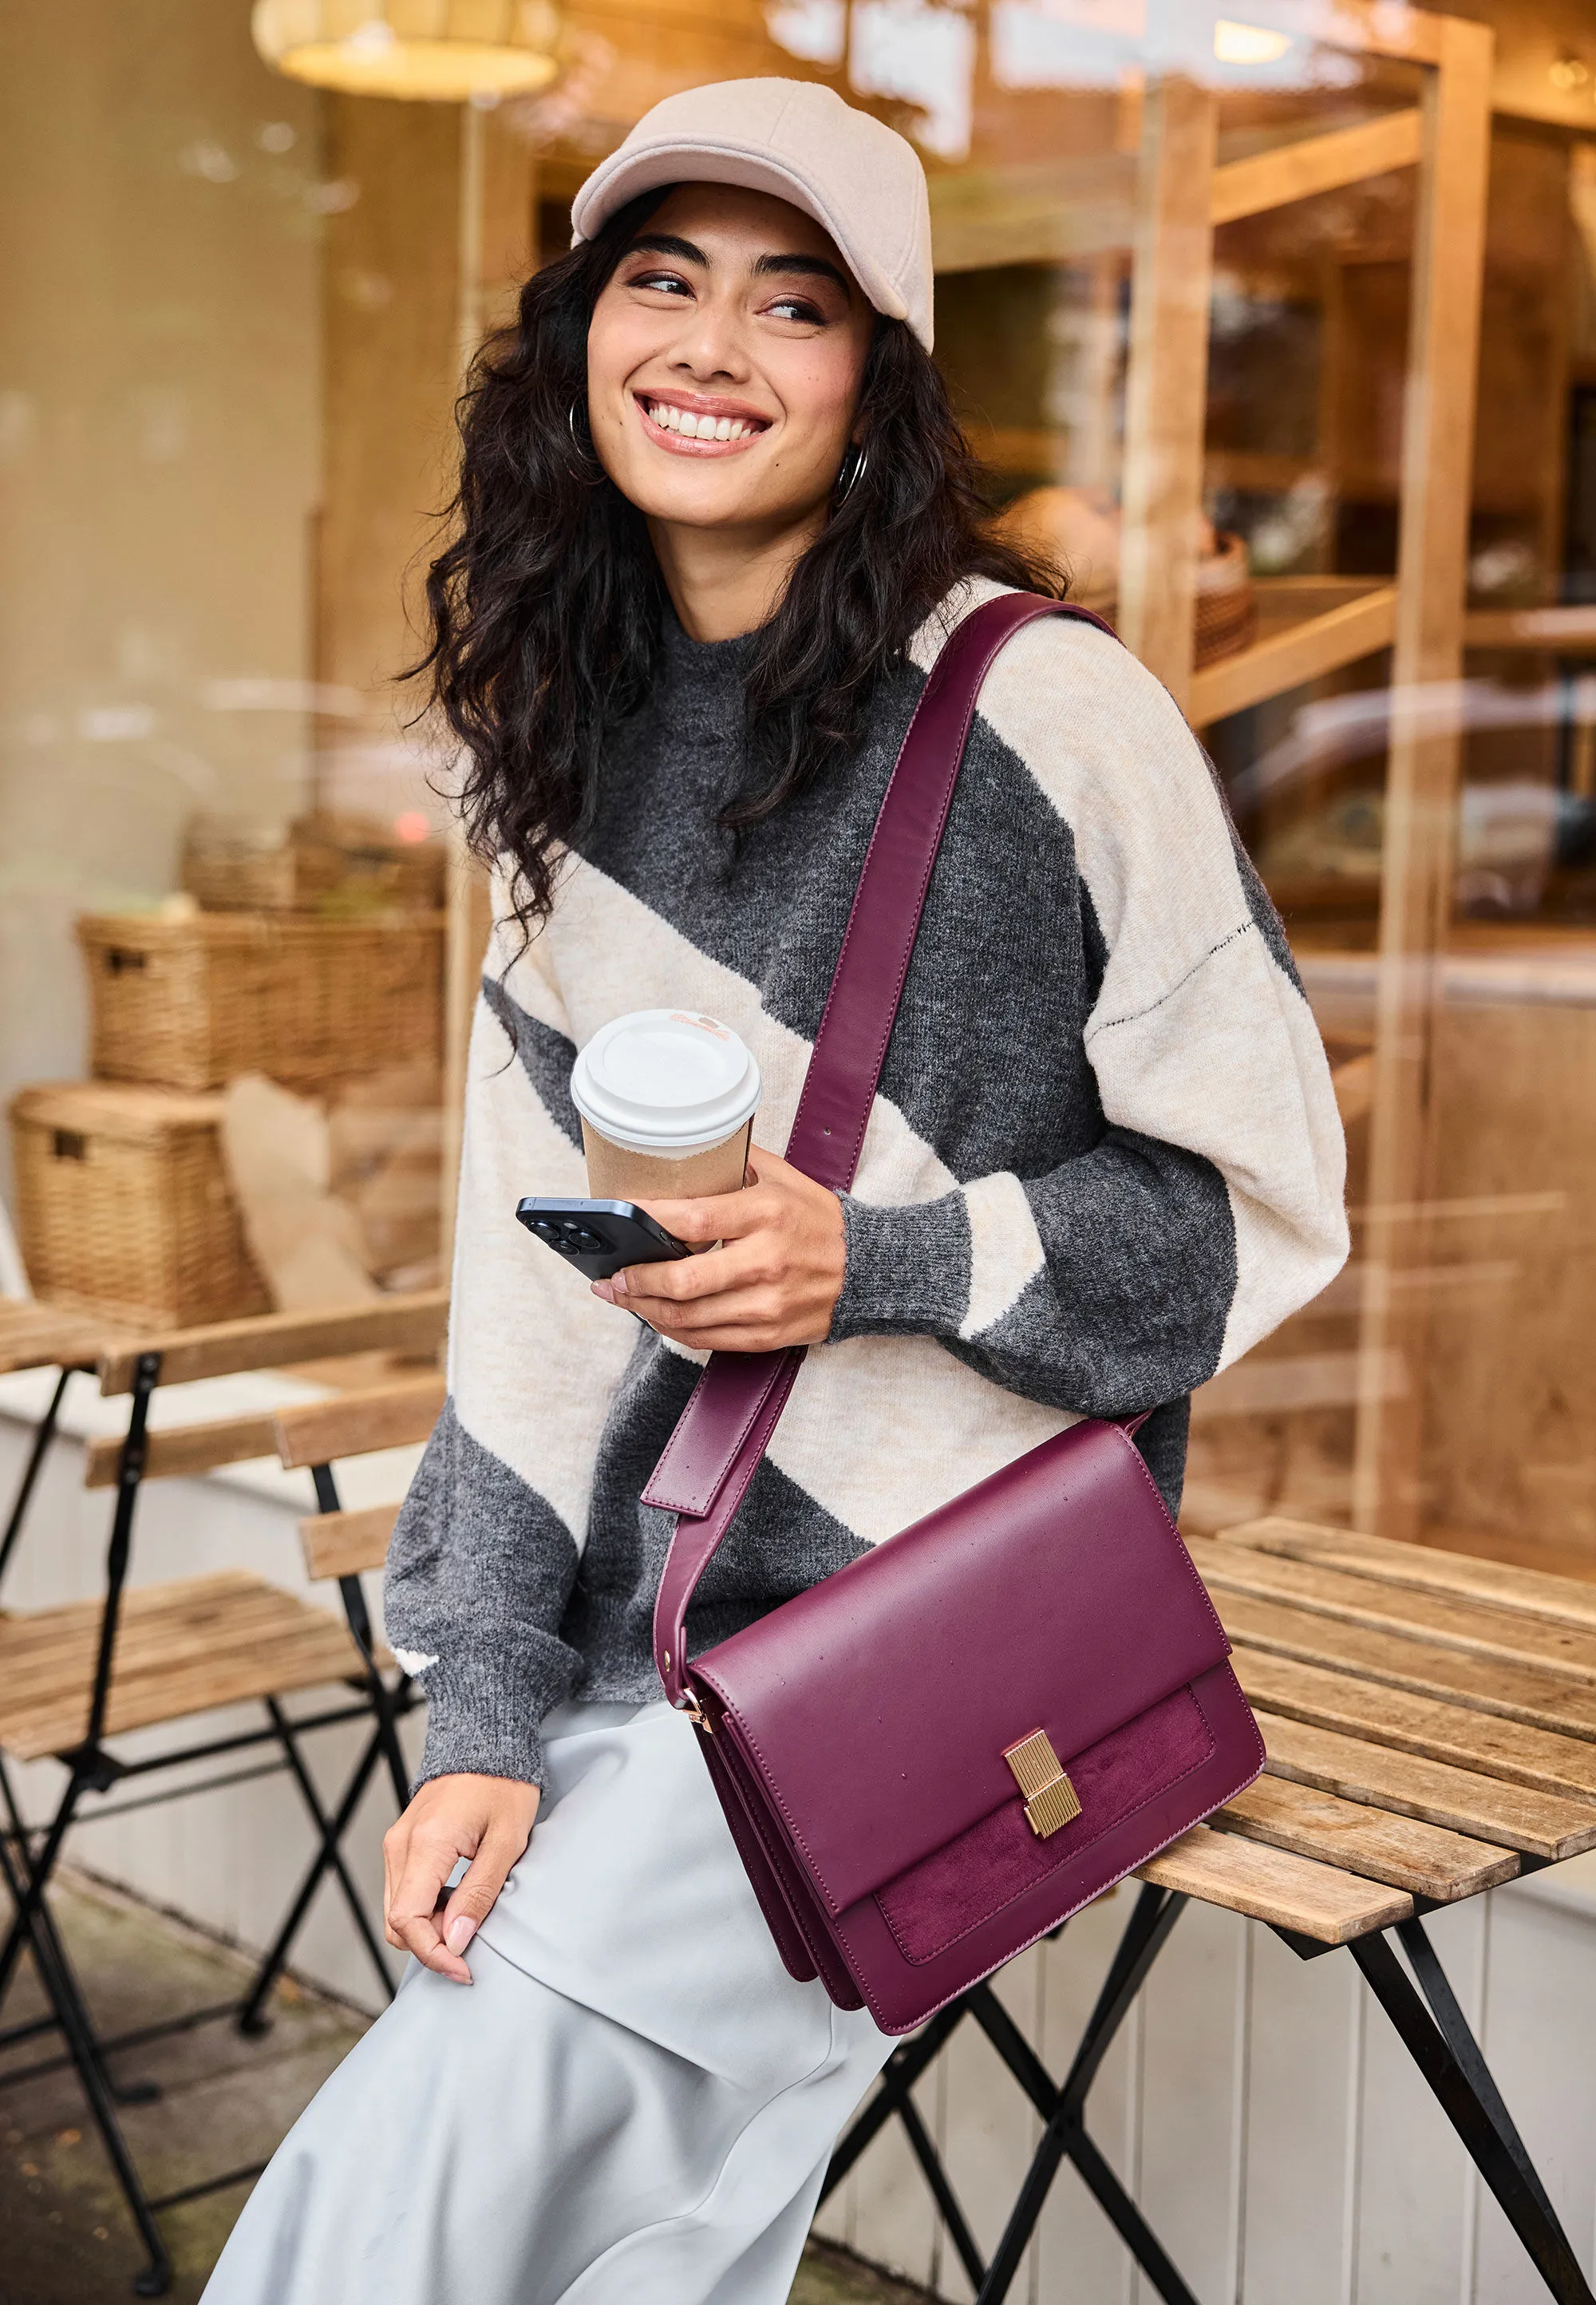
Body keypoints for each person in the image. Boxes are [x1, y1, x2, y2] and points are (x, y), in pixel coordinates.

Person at [202, 77, 1347, 2305]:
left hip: (927, 1667)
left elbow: (1260, 1216)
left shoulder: (1054, 713)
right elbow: (531, 1323)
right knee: (638, 2248)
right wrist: (482, 1721)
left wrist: (885, 1261)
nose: (713, 344)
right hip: (648, 1648)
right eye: (663, 280)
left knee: (385, 2222)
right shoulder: (565, 737)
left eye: (793, 303)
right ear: (580, 340)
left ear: (878, 382)